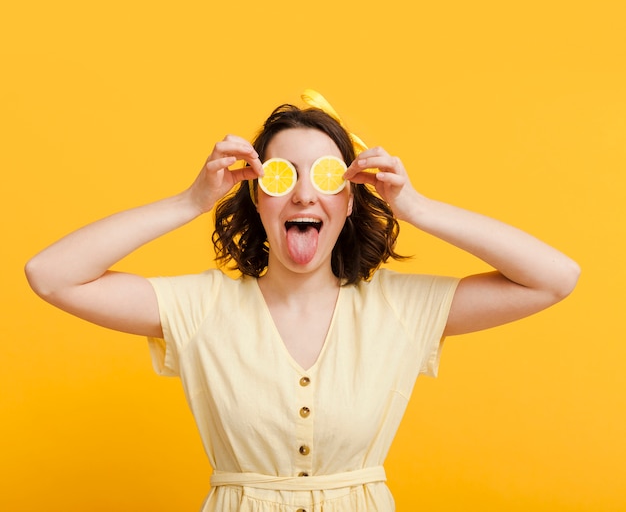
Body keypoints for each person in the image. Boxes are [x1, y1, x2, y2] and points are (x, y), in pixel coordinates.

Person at [25, 91, 580, 511]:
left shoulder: (398, 310)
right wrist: (190, 200)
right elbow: (50, 275)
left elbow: (555, 278)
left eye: (325, 175)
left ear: (350, 196)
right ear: (257, 195)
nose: (304, 193)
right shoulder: (200, 307)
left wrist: (419, 208)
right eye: (283, 175)